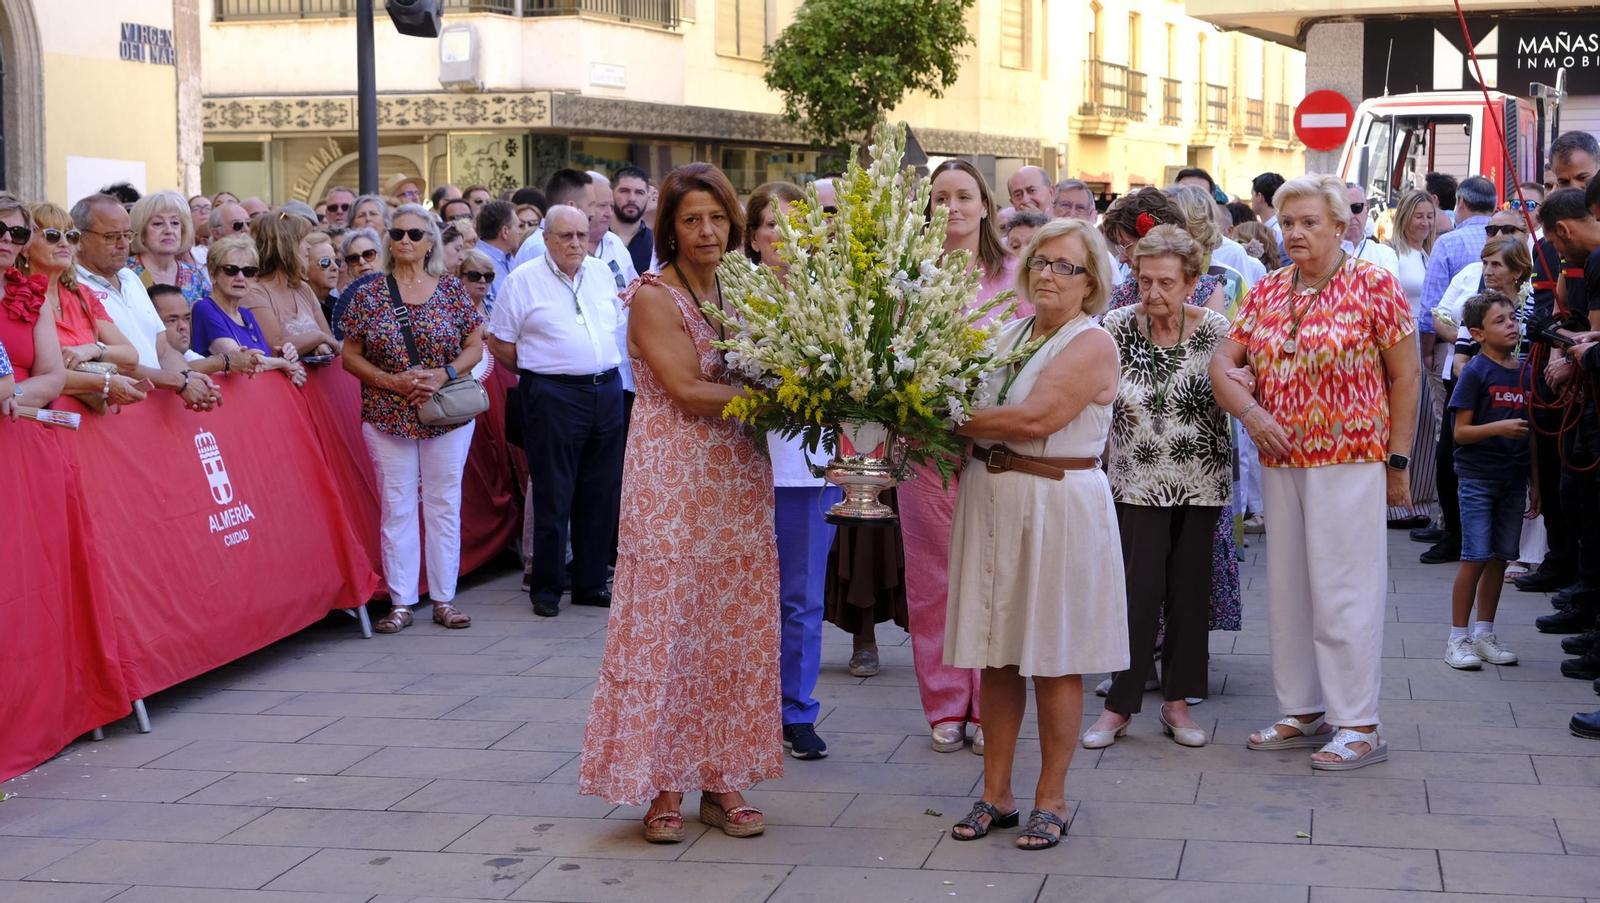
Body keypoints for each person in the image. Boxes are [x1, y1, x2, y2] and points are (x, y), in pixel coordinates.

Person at [577, 162, 780, 843]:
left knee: (730, 625)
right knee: (671, 625)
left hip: (738, 473)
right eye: (691, 218)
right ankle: (661, 783)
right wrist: (792, 400)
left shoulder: (747, 288)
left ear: (735, 224)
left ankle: (723, 780)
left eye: (717, 217)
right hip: (672, 476)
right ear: (670, 227)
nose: (706, 230)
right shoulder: (653, 295)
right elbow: (690, 391)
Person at [1209, 173, 1420, 771]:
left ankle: (1359, 722)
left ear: (1338, 225)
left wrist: (1398, 461)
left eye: (1309, 222)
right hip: (1281, 458)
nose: (1295, 233)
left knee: (1345, 590)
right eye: (1287, 222)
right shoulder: (1270, 289)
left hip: (1350, 458)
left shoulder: (1374, 285)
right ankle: (1301, 709)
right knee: (1291, 589)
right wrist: (1250, 412)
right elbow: (1223, 362)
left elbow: (1407, 376)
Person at [944, 218, 1126, 850]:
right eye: (1041, 262)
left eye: (1066, 266)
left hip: (1056, 504)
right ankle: (997, 794)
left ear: (1092, 281)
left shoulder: (1093, 343)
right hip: (994, 497)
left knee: (1054, 659)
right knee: (996, 656)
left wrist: (934, 413)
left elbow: (1033, 418)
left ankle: (1053, 798)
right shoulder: (1008, 333)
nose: (1048, 274)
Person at [1084, 223, 1232, 752]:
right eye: (1145, 280)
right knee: (1137, 593)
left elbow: (1239, 388)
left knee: (1190, 594)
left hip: (1202, 480)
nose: (1153, 293)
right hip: (1135, 481)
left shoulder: (1216, 329)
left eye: (1166, 282)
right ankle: (1118, 707)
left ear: (1191, 281)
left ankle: (1176, 703)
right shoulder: (1117, 326)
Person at [901, 159, 1019, 756]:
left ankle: (990, 704)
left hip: (999, 446)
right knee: (933, 580)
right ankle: (946, 704)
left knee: (994, 577)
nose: (953, 206)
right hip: (925, 445)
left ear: (985, 205)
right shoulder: (907, 277)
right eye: (940, 196)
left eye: (964, 195)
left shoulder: (1018, 276)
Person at [340, 206, 484, 634]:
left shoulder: (453, 292)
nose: (405, 240)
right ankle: (402, 601)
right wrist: (391, 381)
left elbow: (475, 345)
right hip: (388, 413)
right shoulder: (368, 295)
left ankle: (444, 598)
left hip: (446, 413)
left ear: (430, 244)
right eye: (398, 233)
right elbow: (350, 355)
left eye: (415, 234)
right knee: (397, 506)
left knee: (444, 504)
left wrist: (445, 373)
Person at [487, 204, 625, 619]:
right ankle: (547, 586)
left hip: (606, 390)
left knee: (600, 492)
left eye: (582, 235)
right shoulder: (523, 280)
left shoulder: (601, 273)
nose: (576, 244)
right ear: (546, 238)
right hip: (552, 393)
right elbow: (500, 342)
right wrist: (540, 371)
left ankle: (589, 581)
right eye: (566, 236)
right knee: (552, 492)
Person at [744, 180, 839, 761]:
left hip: (807, 468)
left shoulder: (834, 293)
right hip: (741, 465)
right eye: (773, 225)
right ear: (754, 237)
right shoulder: (729, 296)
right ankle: (742, 705)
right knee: (742, 593)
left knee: (802, 598)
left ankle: (795, 711)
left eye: (796, 224)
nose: (785, 237)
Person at [1442, 291, 1533, 670]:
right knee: (1475, 556)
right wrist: (1498, 427)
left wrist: (1536, 485)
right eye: (1500, 321)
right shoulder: (1476, 372)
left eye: (1513, 318)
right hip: (1478, 478)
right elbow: (1460, 433)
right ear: (1477, 334)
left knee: (1499, 556)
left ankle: (1484, 633)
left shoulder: (1525, 370)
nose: (1511, 325)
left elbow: (1533, 436)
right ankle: (1456, 638)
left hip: (1514, 479)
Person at [71, 194, 220, 409]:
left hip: (156, 409)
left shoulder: (130, 277)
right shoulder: (73, 285)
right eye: (112, 236)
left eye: (127, 235)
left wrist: (190, 378)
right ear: (79, 239)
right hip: (119, 413)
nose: (123, 244)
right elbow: (113, 364)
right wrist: (180, 382)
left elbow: (163, 350)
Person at [22, 204, 146, 408]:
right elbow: (36, 373)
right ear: (25, 247)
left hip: (89, 420)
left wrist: (93, 349)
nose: (64, 243)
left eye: (70, 236)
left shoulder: (82, 294)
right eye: (52, 235)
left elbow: (130, 355)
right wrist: (105, 383)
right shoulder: (16, 297)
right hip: (44, 418)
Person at [194, 236, 306, 386]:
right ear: (213, 275)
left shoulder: (247, 314)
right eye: (231, 270)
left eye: (248, 272)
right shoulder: (204, 309)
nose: (240, 277)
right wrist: (282, 363)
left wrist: (283, 356)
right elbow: (241, 359)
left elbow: (262, 358)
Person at [0, 194, 67, 415]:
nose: (7, 239)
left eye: (18, 233)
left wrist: (11, 395)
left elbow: (53, 377)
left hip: (18, 420)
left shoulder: (32, 298)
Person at [243, 212, 338, 356]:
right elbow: (276, 347)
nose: (308, 247)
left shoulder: (302, 288)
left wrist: (320, 345)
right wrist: (319, 338)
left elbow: (331, 342)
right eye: (302, 240)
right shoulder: (254, 291)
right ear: (284, 246)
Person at [128, 190, 212, 308]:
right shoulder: (125, 273)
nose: (169, 230)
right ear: (141, 231)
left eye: (175, 223)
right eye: (158, 223)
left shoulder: (194, 275)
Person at [513, 169, 592, 269]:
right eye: (591, 205)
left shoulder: (599, 268)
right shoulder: (539, 247)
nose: (593, 213)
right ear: (571, 207)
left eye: (581, 235)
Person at [1343, 184, 1399, 276]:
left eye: (1356, 208)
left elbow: (1390, 288)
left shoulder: (1385, 254)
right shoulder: (1324, 253)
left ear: (1367, 211)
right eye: (1344, 210)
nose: (1351, 216)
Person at [473, 201, 518, 302]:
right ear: (505, 232)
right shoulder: (475, 262)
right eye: (518, 226)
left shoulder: (510, 259)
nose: (520, 232)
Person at [612, 167, 654, 276]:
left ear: (648, 196)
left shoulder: (657, 244)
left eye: (639, 192)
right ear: (611, 193)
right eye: (624, 191)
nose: (632, 198)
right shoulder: (595, 239)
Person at [458, 247, 495, 318]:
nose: (482, 280)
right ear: (459, 276)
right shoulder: (453, 307)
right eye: (475, 275)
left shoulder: (493, 301)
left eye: (488, 276)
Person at [1252, 172, 1285, 240]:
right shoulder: (1275, 228)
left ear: (1259, 197)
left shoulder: (1278, 231)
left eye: (1252, 194)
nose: (1251, 199)